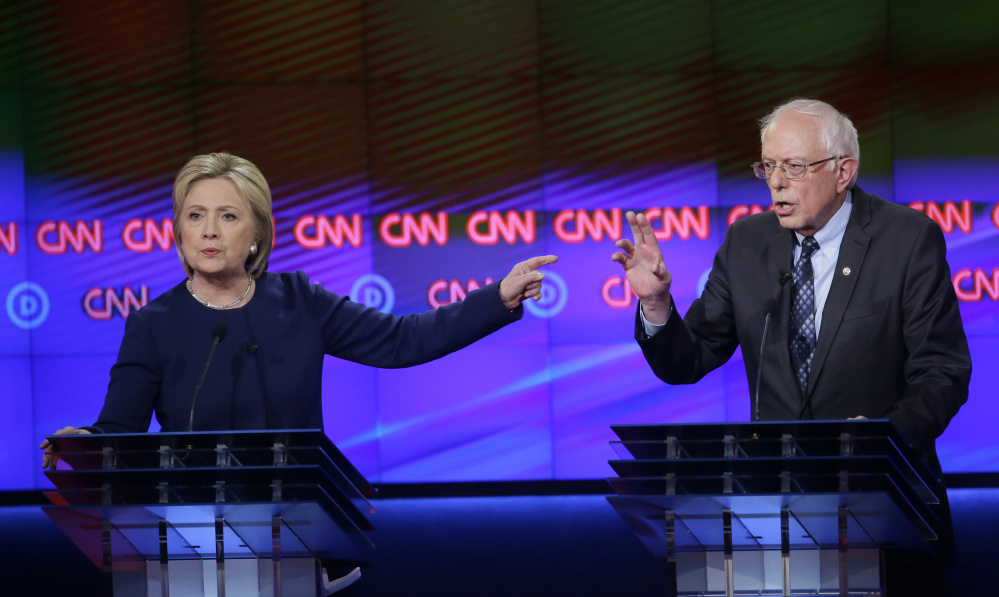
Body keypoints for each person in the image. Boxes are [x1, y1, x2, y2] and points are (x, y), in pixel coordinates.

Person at [611, 99, 970, 595]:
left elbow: (942, 370)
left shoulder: (906, 240)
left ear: (843, 171)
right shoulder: (746, 242)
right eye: (769, 166)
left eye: (794, 167)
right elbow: (686, 360)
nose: (777, 182)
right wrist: (656, 305)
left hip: (880, 504)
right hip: (768, 512)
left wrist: (885, 442)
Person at [41, 151, 556, 452]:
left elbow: (405, 341)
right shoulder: (153, 324)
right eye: (195, 216)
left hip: (299, 525)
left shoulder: (297, 301)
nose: (210, 231)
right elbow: (120, 433)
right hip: (192, 532)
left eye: (227, 216)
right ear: (178, 234)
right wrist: (85, 443)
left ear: (257, 235)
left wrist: (498, 298)